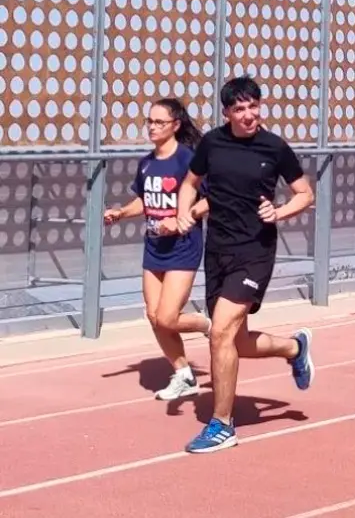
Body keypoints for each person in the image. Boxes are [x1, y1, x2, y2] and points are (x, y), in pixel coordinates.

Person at [175, 75, 316, 454]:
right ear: (227, 113)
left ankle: (222, 425)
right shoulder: (212, 143)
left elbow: (305, 194)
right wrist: (183, 211)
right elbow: (190, 183)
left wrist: (280, 211)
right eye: (240, 108)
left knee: (219, 332)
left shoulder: (274, 147)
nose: (249, 114)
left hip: (254, 251)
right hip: (217, 251)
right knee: (236, 341)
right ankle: (294, 348)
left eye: (254, 106)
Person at [103, 98, 212, 400]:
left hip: (183, 247)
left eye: (159, 122)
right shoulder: (147, 162)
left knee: (168, 317)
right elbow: (144, 201)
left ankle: (208, 325)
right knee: (154, 316)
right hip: (153, 248)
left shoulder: (188, 160)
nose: (152, 127)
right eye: (149, 121)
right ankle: (183, 374)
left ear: (175, 125)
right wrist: (121, 213)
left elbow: (211, 198)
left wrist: (183, 219)